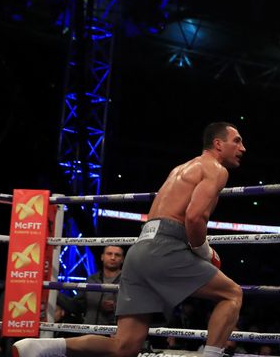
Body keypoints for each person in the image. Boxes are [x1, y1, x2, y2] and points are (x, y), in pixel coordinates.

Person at [13, 122, 247, 357]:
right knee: (232, 293)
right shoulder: (215, 169)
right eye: (236, 141)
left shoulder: (181, 169)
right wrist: (205, 252)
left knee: (124, 347)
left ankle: (43, 346)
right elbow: (195, 217)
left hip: (141, 249)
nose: (242, 148)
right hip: (165, 247)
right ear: (218, 143)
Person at [74, 245, 124, 326]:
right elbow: (77, 305)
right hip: (89, 331)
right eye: (109, 254)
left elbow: (136, 305)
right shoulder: (91, 280)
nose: (113, 258)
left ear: (122, 260)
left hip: (115, 333)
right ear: (102, 257)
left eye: (117, 255)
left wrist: (116, 306)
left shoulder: (128, 281)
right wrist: (56, 294)